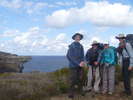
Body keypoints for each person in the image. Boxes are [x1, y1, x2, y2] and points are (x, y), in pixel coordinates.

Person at [67, 33, 85, 98]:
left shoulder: (81, 46)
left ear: (80, 38)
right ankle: (71, 93)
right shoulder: (72, 46)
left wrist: (82, 61)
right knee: (73, 80)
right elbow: (69, 56)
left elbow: (82, 55)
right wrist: (78, 63)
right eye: (77, 37)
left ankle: (80, 91)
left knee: (80, 79)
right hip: (73, 66)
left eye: (79, 37)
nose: (78, 38)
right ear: (74, 38)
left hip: (80, 66)